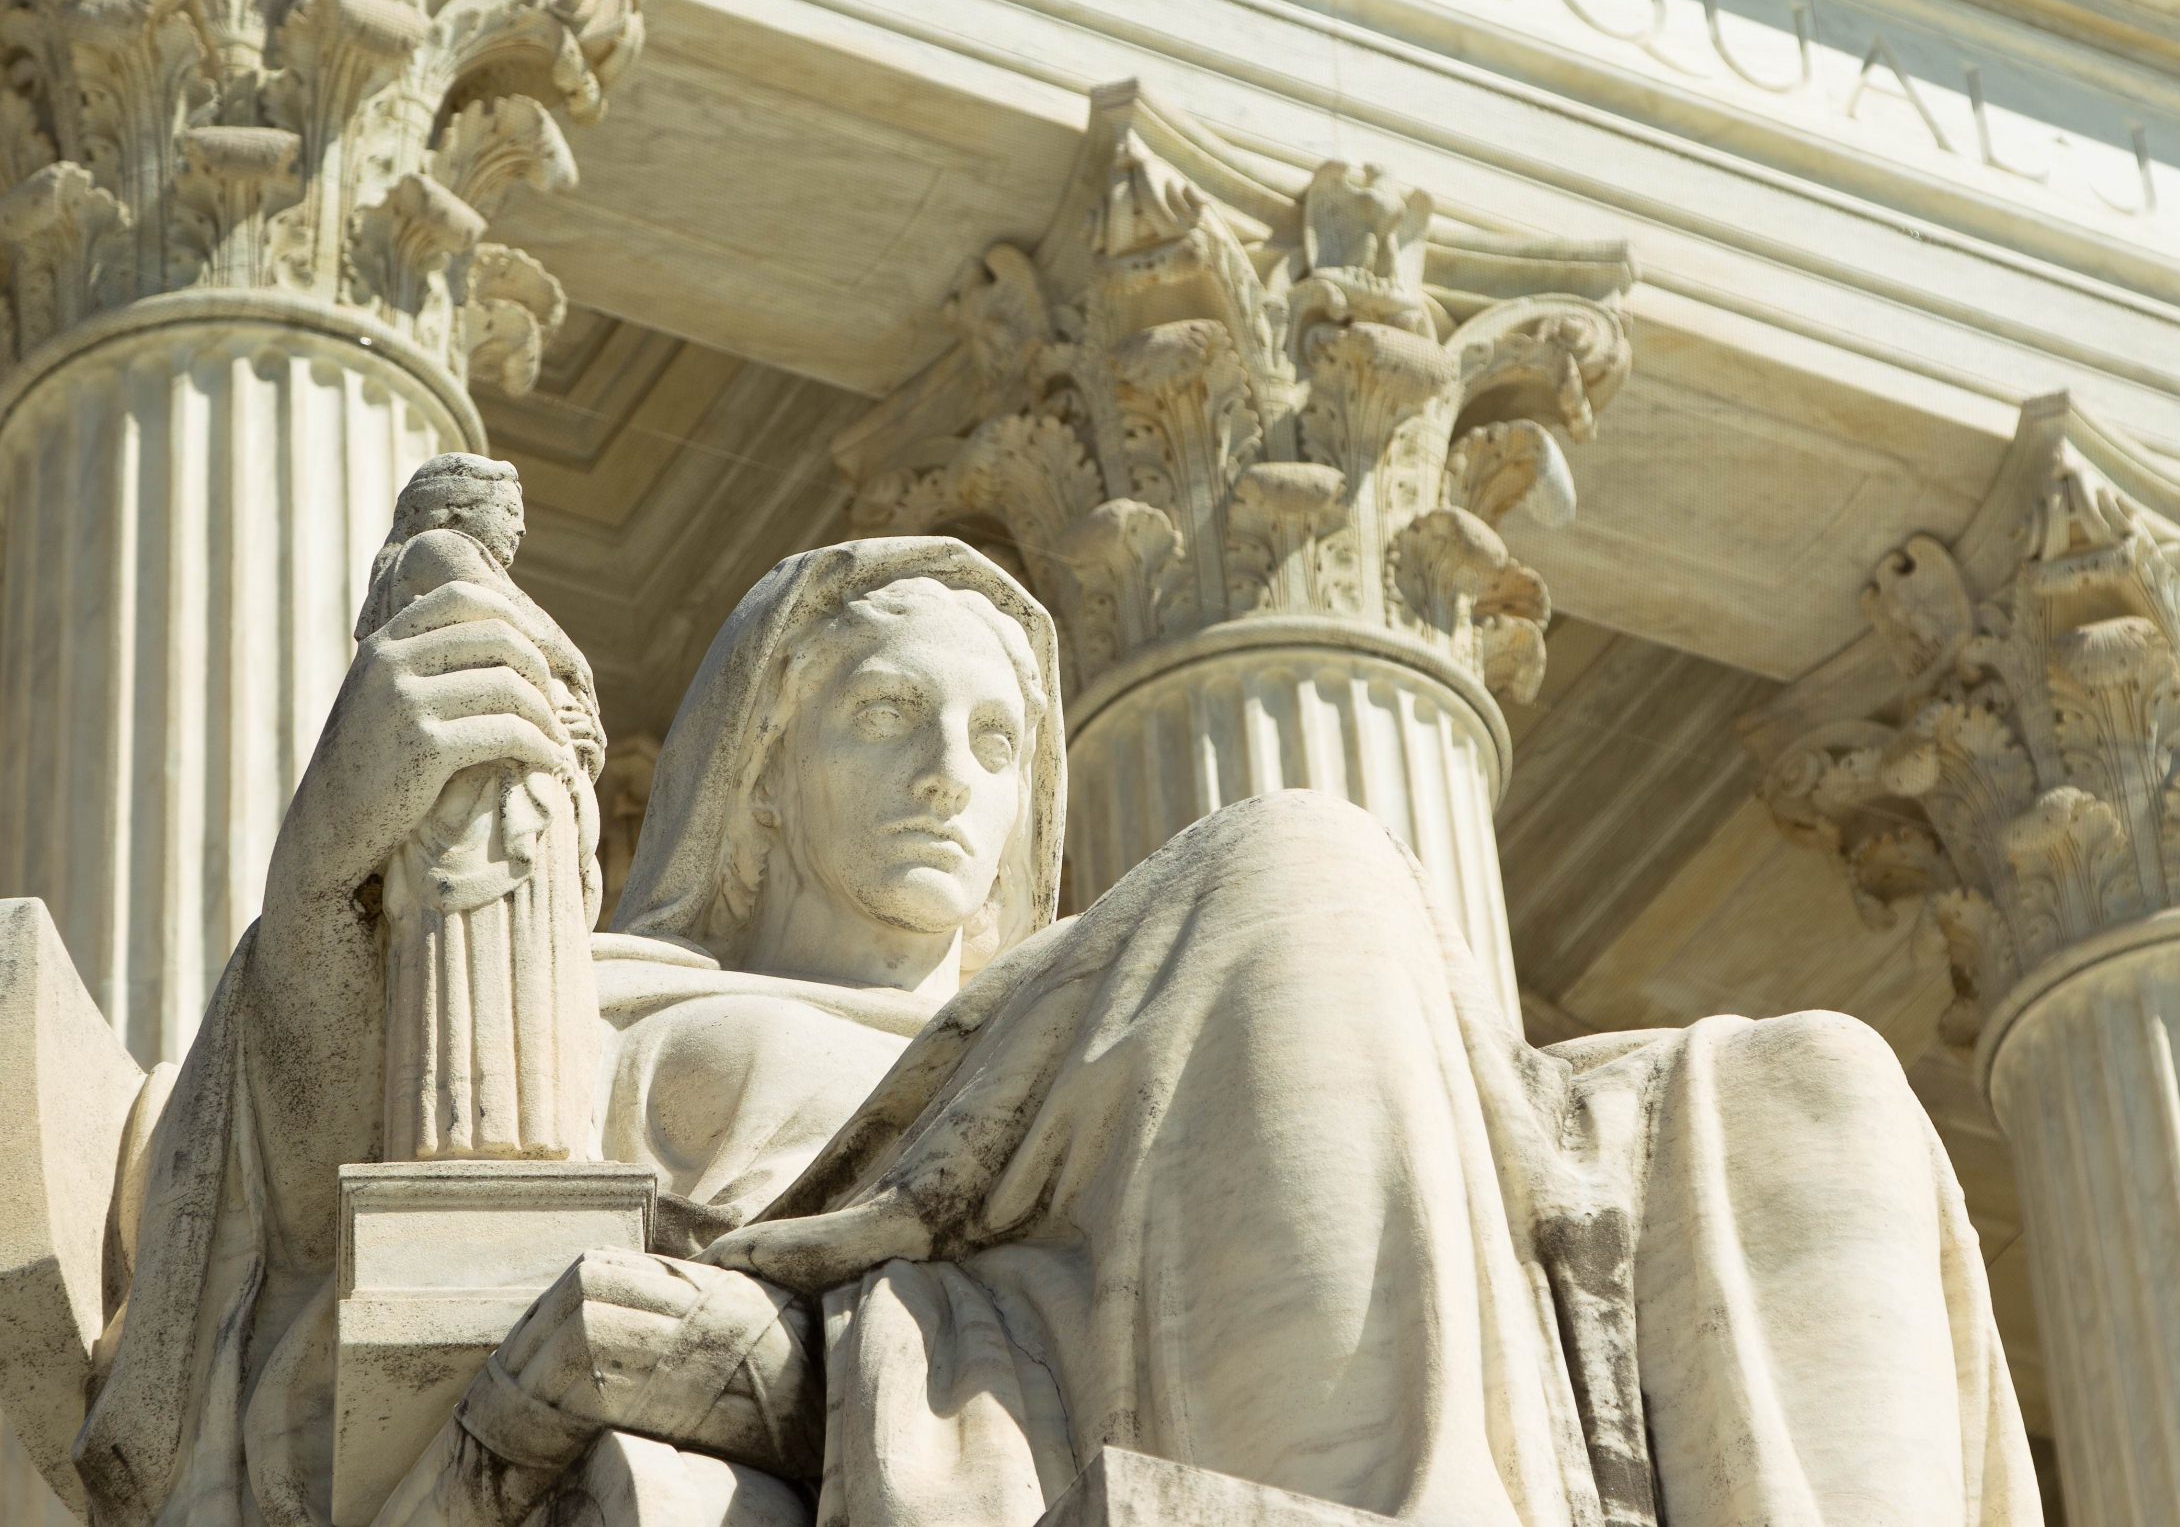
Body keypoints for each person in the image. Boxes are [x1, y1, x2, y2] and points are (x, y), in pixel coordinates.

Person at [72, 536, 2038, 1527]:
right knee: (1295, 860)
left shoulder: (1090, 1014)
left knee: (1808, 1089)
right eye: (880, 714)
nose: (953, 770)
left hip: (1041, 1327)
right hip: (986, 1343)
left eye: (1001, 735)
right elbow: (250, 1249)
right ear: (754, 767)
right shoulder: (603, 994)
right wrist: (336, 883)